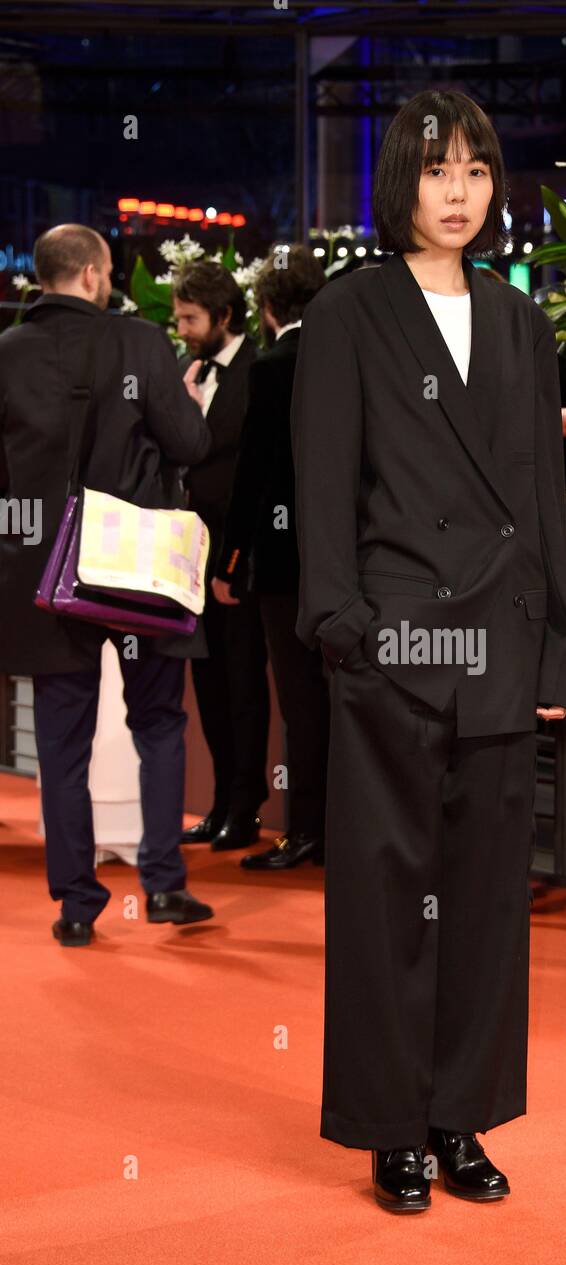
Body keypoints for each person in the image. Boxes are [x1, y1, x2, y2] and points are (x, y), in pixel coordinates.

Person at [291, 90, 566, 1211]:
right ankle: (390, 1127)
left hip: (503, 653)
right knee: (382, 897)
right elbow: (324, 485)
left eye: (473, 170)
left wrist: (556, 653)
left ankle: (460, 1116)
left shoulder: (522, 322)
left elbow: (538, 502)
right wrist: (341, 626)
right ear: (399, 186)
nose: (456, 192)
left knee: (486, 906)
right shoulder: (351, 313)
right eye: (433, 170)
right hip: (394, 646)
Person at [0, 223, 214, 946]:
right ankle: (162, 887)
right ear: (94, 274)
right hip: (136, 570)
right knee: (158, 724)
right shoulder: (142, 345)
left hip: (46, 571)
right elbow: (191, 445)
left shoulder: (7, 354)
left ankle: (76, 906)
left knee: (61, 744)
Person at [212, 249, 329, 871]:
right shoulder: (349, 357)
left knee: (301, 699)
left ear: (264, 309)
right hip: (353, 559)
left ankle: (306, 828)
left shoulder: (273, 365)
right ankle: (343, 830)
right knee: (345, 700)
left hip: (286, 565)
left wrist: (229, 561)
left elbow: (251, 477)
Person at [172, 263, 271, 852]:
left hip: (238, 547)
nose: (181, 328)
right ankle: (217, 804)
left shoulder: (258, 372)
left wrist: (237, 557)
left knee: (241, 678)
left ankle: (246, 803)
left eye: (190, 318)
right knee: (205, 675)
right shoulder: (188, 371)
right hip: (191, 548)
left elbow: (250, 472)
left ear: (224, 317)